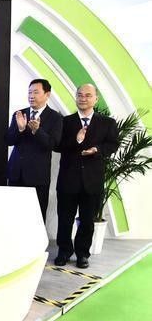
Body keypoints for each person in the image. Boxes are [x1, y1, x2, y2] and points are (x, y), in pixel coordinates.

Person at [55, 84, 117, 269]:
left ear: (96, 99)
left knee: (87, 220)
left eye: (88, 95)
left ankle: (82, 254)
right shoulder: (65, 121)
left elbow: (113, 144)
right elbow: (57, 145)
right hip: (68, 179)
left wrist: (97, 149)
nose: (83, 98)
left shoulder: (107, 123)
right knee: (64, 219)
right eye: (80, 95)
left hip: (92, 180)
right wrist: (77, 140)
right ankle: (64, 251)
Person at [6, 79, 63, 222]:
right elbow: (9, 140)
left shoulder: (55, 117)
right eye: (29, 92)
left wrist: (37, 131)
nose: (31, 96)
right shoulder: (19, 113)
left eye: (36, 92)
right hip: (16, 174)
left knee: (36, 218)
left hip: (38, 176)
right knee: (14, 216)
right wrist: (20, 129)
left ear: (47, 94)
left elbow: (53, 144)